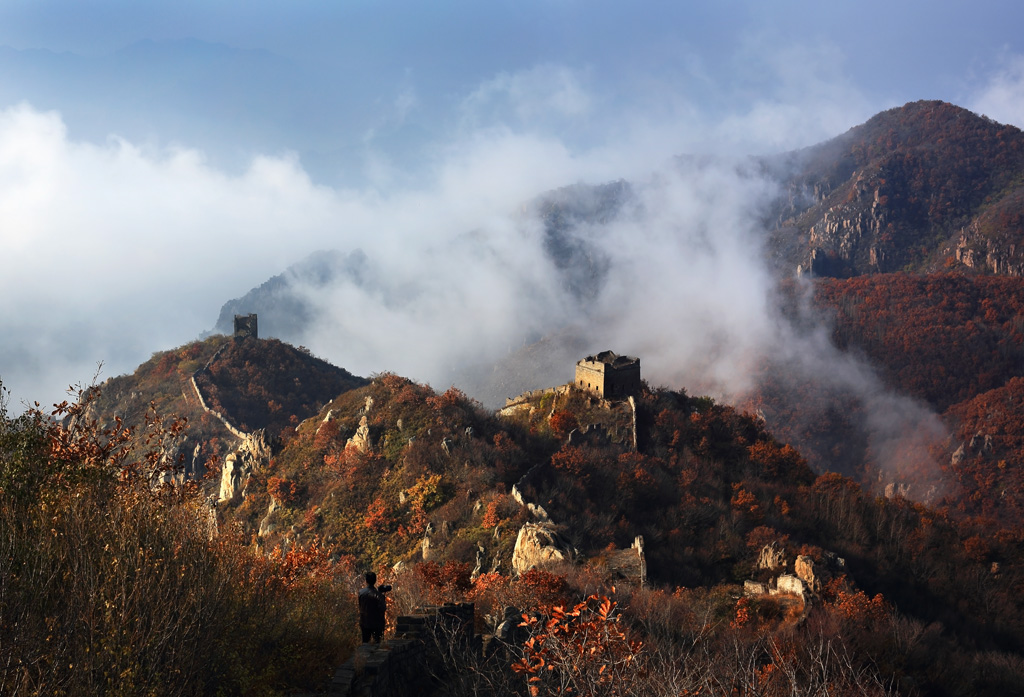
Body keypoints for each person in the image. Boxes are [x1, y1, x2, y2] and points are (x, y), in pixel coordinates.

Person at [358, 571, 387, 643]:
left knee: (365, 643)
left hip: (364, 621)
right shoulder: (378, 595)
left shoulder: (361, 592)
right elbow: (383, 608)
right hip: (377, 623)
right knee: (378, 644)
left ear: (366, 581)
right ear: (375, 580)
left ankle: (363, 654)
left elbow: (360, 605)